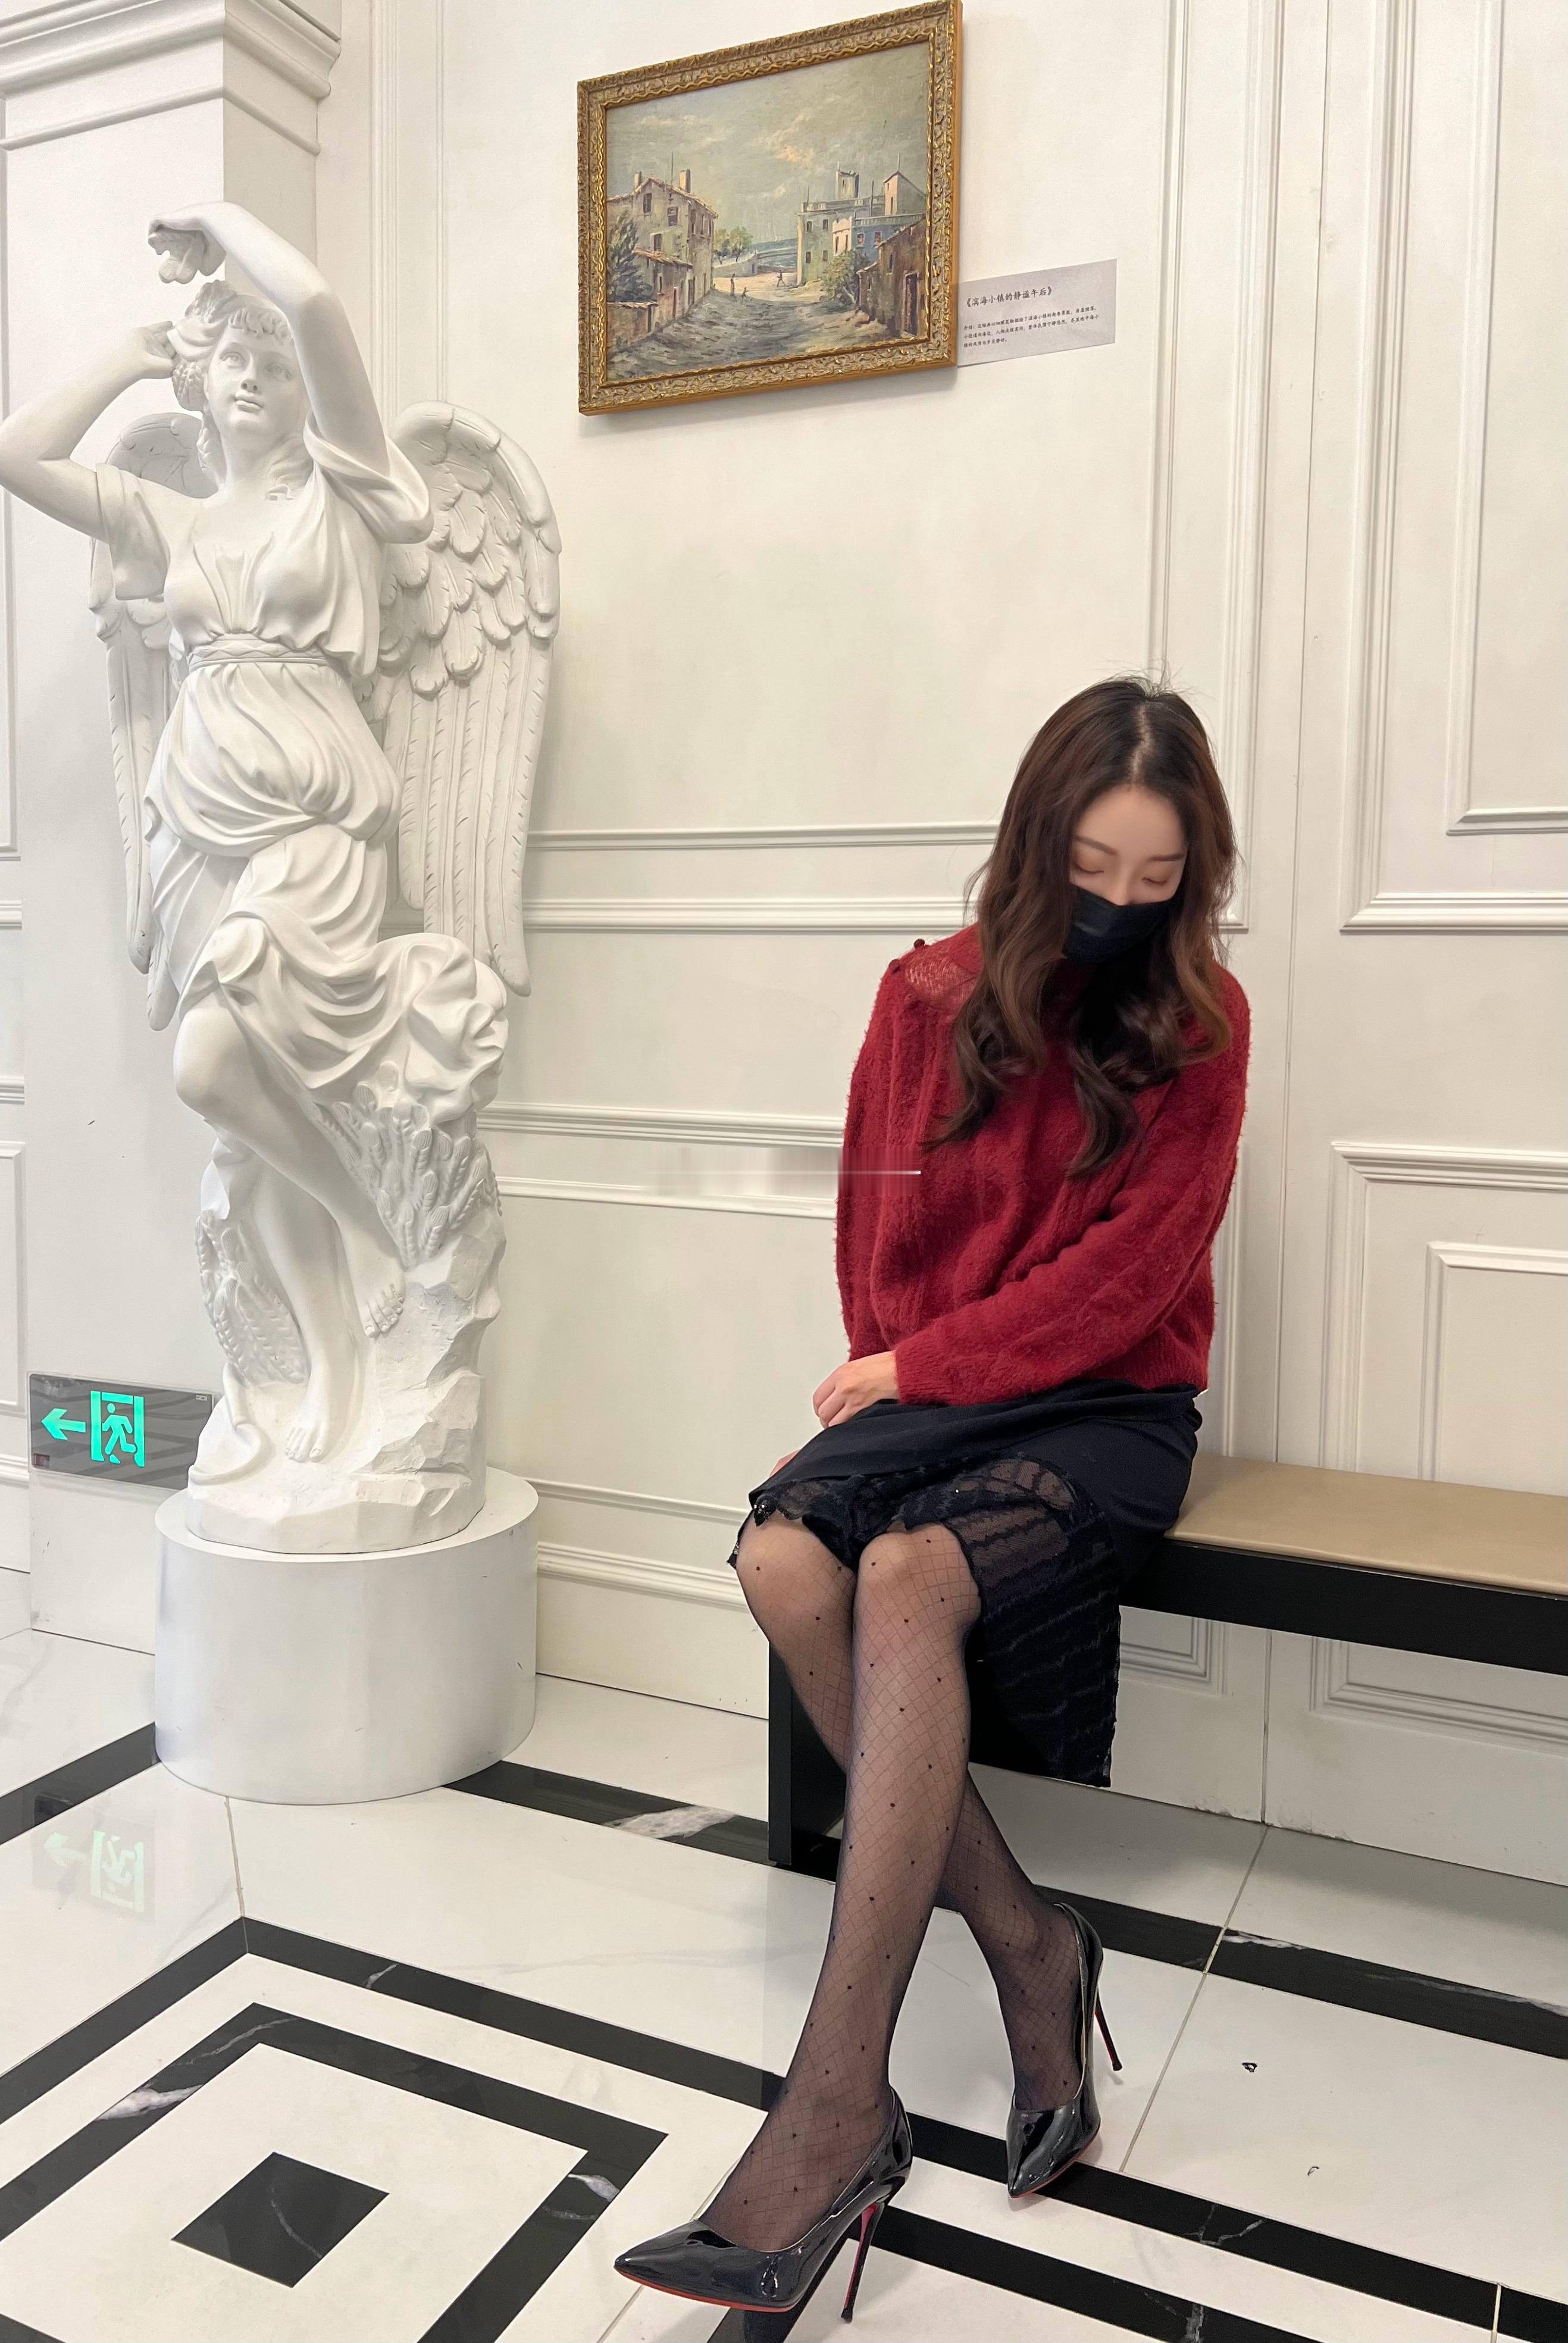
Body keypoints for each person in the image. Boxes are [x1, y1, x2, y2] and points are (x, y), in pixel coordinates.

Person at [615, 677, 1249, 2319]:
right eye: (1093, 867)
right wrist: (907, 1377)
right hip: (941, 1382)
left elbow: (1132, 1278)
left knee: (906, 1577)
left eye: (1156, 877)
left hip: (1110, 1397)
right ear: (1037, 844)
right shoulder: (923, 998)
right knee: (784, 1557)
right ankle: (1032, 1937)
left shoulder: (1202, 1027)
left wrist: (928, 1368)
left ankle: (835, 2110)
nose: (1120, 903)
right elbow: (874, 1232)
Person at [0, 204, 506, 1463]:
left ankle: (377, 1231)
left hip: (315, 827)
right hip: (198, 837)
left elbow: (318, 311)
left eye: (274, 365)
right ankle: (331, 1365)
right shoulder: (172, 521)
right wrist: (129, 353)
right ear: (200, 379)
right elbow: (16, 455)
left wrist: (222, 230)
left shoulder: (344, 492)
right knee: (241, 1125)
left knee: (214, 1065)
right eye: (233, 357)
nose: (256, 376)